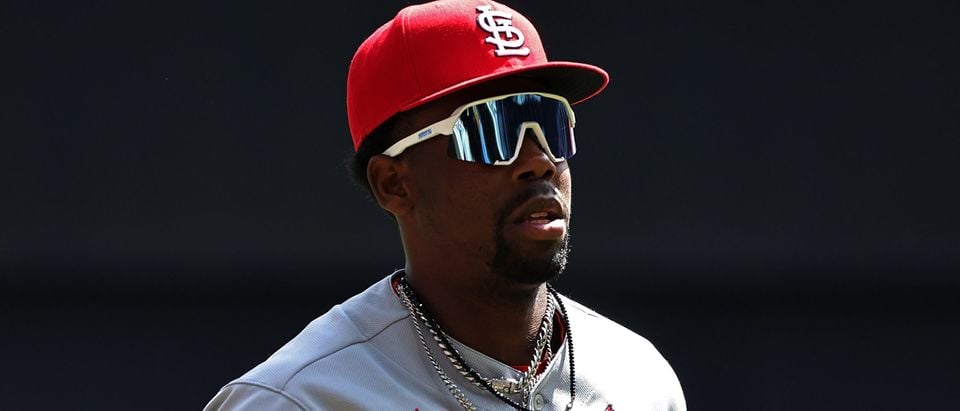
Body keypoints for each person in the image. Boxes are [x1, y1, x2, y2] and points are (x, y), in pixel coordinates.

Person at [205, 1, 685, 409]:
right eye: (493, 129)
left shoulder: (638, 378)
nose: (539, 161)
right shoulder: (300, 398)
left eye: (550, 123)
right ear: (395, 183)